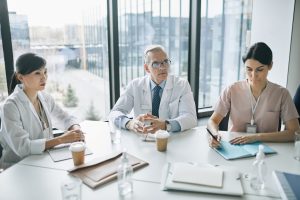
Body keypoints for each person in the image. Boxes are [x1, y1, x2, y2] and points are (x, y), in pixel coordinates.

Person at [0, 53, 84, 169]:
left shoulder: (45, 97)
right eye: (37, 73)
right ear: (20, 77)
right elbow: (23, 148)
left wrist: (76, 130)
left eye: (45, 72)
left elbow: (64, 118)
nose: (44, 77)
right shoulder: (10, 106)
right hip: (18, 166)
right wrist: (61, 139)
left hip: (43, 160)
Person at [207, 42, 300, 148]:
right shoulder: (232, 90)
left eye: (259, 70)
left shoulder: (282, 94)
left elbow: (295, 132)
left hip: (267, 148)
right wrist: (214, 134)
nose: (253, 76)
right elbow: (212, 121)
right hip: (235, 146)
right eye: (249, 69)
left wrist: (257, 137)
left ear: (270, 66)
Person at [109, 45, 197, 134]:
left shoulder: (182, 85)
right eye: (156, 64)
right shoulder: (135, 85)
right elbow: (115, 112)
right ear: (147, 68)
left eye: (165, 61)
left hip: (171, 139)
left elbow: (191, 118)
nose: (163, 67)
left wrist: (165, 125)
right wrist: (129, 123)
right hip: (142, 138)